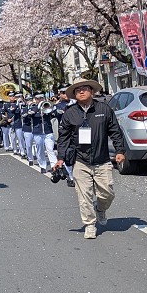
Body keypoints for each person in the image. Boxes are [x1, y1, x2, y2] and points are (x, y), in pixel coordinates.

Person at [55, 78, 126, 239]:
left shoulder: (104, 109)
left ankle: (100, 209)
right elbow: (64, 138)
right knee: (84, 195)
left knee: (107, 193)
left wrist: (120, 151)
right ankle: (89, 225)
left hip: (102, 159)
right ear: (74, 94)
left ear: (92, 91)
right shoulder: (70, 113)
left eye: (85, 88)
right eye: (77, 90)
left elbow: (115, 131)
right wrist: (60, 158)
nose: (81, 91)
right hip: (80, 161)